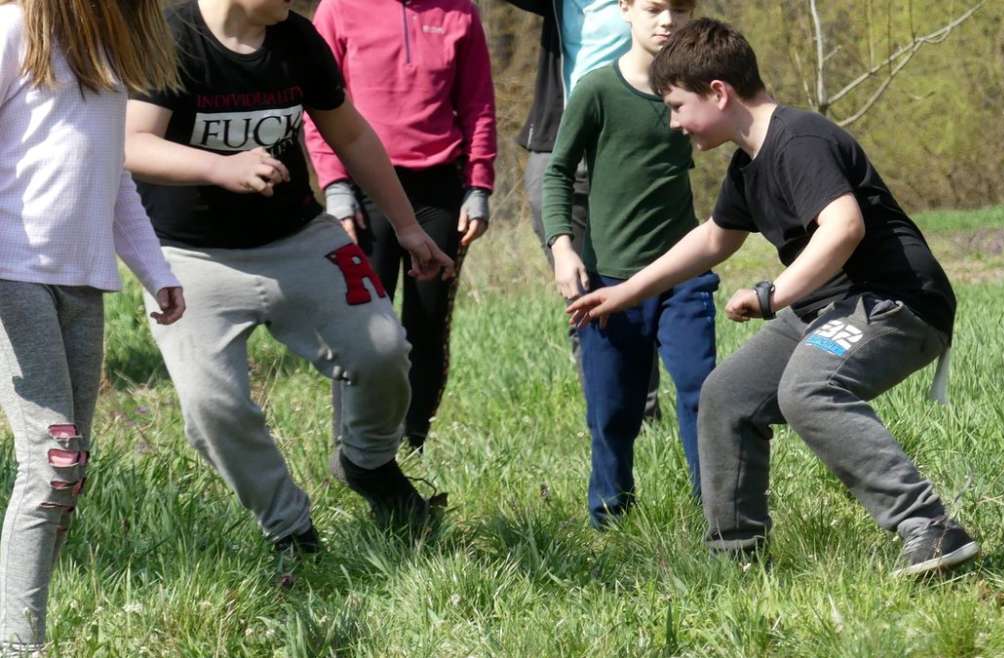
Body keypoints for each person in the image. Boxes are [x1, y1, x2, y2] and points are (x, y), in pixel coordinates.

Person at [567, 18, 980, 575]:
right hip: (830, 309)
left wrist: (773, 295)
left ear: (719, 92)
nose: (673, 123)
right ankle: (734, 559)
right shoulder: (748, 164)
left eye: (677, 106)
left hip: (894, 302)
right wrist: (626, 292)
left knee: (808, 389)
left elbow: (843, 227)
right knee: (727, 397)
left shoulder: (799, 139)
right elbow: (713, 239)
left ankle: (929, 526)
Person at [124, 0, 454, 555]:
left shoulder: (296, 38)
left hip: (299, 236)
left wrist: (406, 227)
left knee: (381, 348)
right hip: (189, 255)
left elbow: (352, 136)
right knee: (213, 407)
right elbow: (132, 144)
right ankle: (291, 529)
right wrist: (219, 166)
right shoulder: (170, 36)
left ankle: (367, 463)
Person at [0, 0, 186, 651]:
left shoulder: (108, 61)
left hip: (84, 286)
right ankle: (19, 647)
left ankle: (24, 630)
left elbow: (114, 185)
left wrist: (155, 269)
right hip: (13, 278)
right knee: (51, 464)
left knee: (68, 476)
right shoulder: (13, 31)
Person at [544, 0, 710, 527]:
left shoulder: (696, 91)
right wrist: (563, 247)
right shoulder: (597, 89)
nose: (667, 21)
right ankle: (610, 514)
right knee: (614, 411)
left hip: (683, 275)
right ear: (626, 10)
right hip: (609, 280)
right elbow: (557, 174)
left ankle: (721, 512)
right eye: (655, 8)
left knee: (700, 389)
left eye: (679, 9)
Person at [305, 0, 497, 452]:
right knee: (362, 326)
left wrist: (479, 185)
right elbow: (317, 104)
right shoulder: (337, 8)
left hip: (437, 193)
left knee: (426, 326)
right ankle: (352, 446)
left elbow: (478, 105)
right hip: (362, 190)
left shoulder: (461, 12)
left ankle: (411, 445)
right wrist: (334, 185)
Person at [503, 0, 662, 419]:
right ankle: (603, 403)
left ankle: (645, 409)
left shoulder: (646, 6)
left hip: (623, 142)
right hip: (558, 139)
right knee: (578, 281)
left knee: (632, 274)